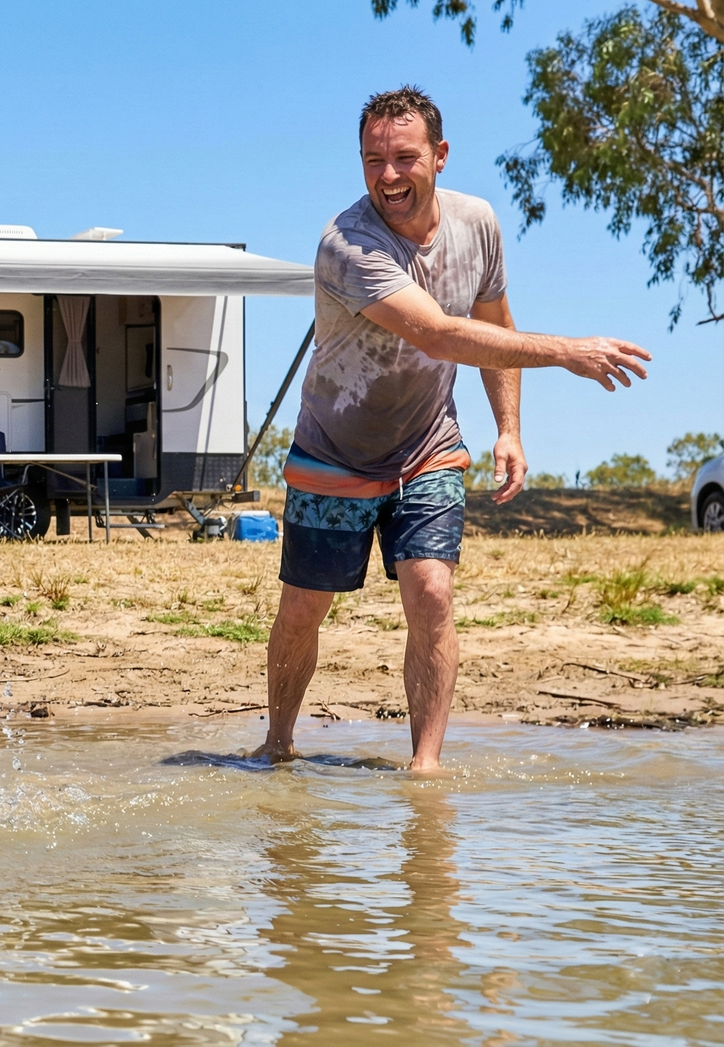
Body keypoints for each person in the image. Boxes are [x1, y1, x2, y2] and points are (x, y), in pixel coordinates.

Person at [254, 86, 651, 771]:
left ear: (439, 155)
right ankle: (278, 741)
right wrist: (566, 352)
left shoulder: (478, 224)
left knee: (432, 590)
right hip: (335, 448)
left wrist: (509, 427)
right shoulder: (345, 244)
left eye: (404, 157)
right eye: (372, 159)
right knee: (302, 610)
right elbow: (439, 335)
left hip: (428, 445)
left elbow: (493, 326)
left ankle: (425, 768)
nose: (387, 176)